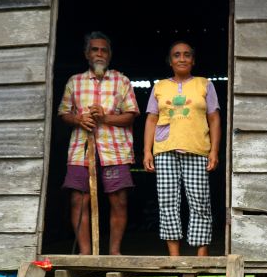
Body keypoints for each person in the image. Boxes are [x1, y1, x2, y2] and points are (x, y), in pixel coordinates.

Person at [58, 31, 140, 255]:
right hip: (81, 150)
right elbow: (64, 113)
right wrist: (78, 118)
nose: (99, 54)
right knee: (78, 199)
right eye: (95, 49)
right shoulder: (75, 82)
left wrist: (105, 118)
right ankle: (85, 252)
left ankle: (114, 252)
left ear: (110, 54)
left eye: (104, 50)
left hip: (114, 150)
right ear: (87, 54)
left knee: (119, 200)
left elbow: (131, 115)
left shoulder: (121, 81)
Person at [143, 41, 221, 256]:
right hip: (165, 149)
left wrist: (214, 151)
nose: (182, 58)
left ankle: (201, 254)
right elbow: (151, 119)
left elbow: (214, 119)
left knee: (200, 200)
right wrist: (147, 151)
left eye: (187, 55)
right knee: (167, 201)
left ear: (193, 60)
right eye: (177, 55)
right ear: (170, 61)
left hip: (197, 149)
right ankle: (174, 255)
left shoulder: (205, 85)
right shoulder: (159, 86)